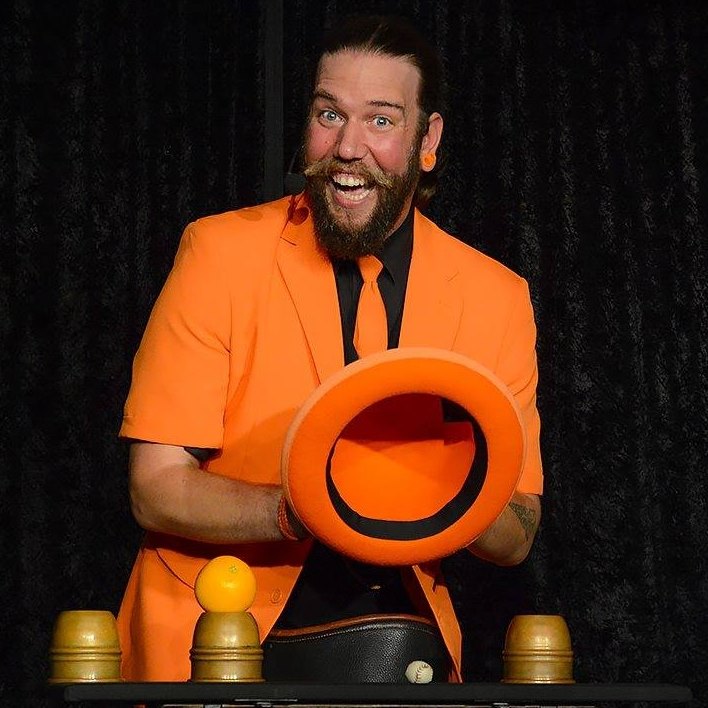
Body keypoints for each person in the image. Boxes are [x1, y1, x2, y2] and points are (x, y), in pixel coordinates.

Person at [117, 15, 542, 683]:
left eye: (381, 120)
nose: (347, 147)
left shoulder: (497, 296)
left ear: (427, 139)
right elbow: (156, 488)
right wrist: (307, 509)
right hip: (216, 645)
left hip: (402, 652)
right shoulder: (219, 254)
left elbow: (517, 532)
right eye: (329, 114)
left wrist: (445, 489)